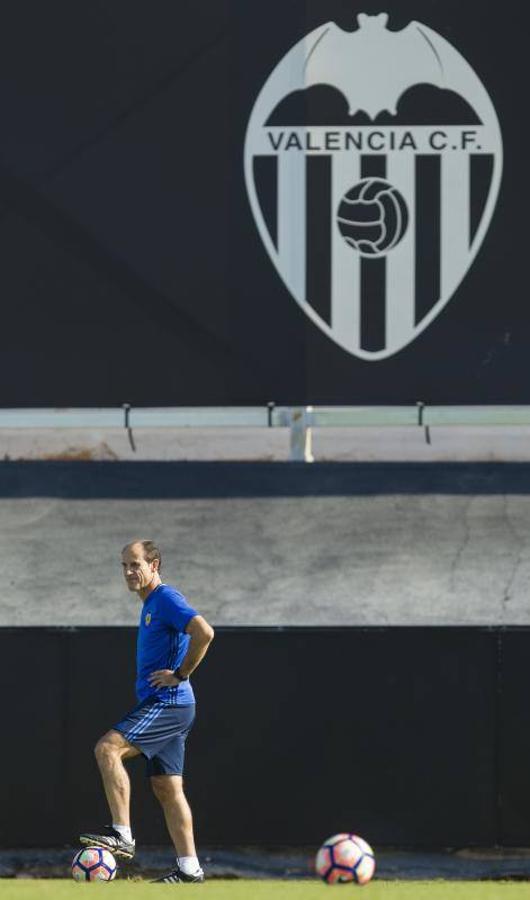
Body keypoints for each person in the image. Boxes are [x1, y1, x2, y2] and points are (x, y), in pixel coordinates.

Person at [80, 539, 214, 884]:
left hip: (169, 704)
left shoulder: (166, 599)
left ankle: (122, 835)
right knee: (168, 788)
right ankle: (189, 870)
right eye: (124, 565)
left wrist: (181, 674)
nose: (128, 571)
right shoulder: (151, 604)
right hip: (172, 706)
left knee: (108, 749)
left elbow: (204, 632)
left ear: (154, 565)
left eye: (136, 564)